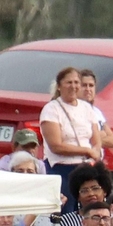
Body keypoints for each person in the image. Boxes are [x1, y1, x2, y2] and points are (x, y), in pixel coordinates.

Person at [40, 67, 104, 210]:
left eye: (76, 82)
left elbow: (96, 138)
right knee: (66, 211)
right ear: (59, 86)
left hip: (85, 169)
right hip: (61, 170)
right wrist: (87, 151)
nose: (73, 86)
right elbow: (56, 145)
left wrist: (96, 151)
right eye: (69, 82)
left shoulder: (87, 108)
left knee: (88, 210)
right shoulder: (51, 109)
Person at [78, 68, 113, 152]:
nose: (88, 89)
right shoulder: (74, 111)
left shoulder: (97, 112)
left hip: (97, 161)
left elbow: (112, 141)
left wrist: (94, 139)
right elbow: (79, 140)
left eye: (91, 85)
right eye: (84, 85)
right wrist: (101, 134)